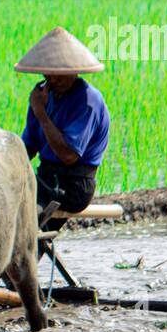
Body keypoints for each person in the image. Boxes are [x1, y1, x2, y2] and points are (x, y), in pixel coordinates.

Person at [16, 27, 110, 232]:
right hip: (46, 178)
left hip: (73, 185)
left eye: (58, 75)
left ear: (74, 71)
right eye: (48, 74)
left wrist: (41, 113)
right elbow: (29, 147)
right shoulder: (41, 97)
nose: (52, 80)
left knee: (25, 221)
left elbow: (69, 155)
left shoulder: (87, 101)